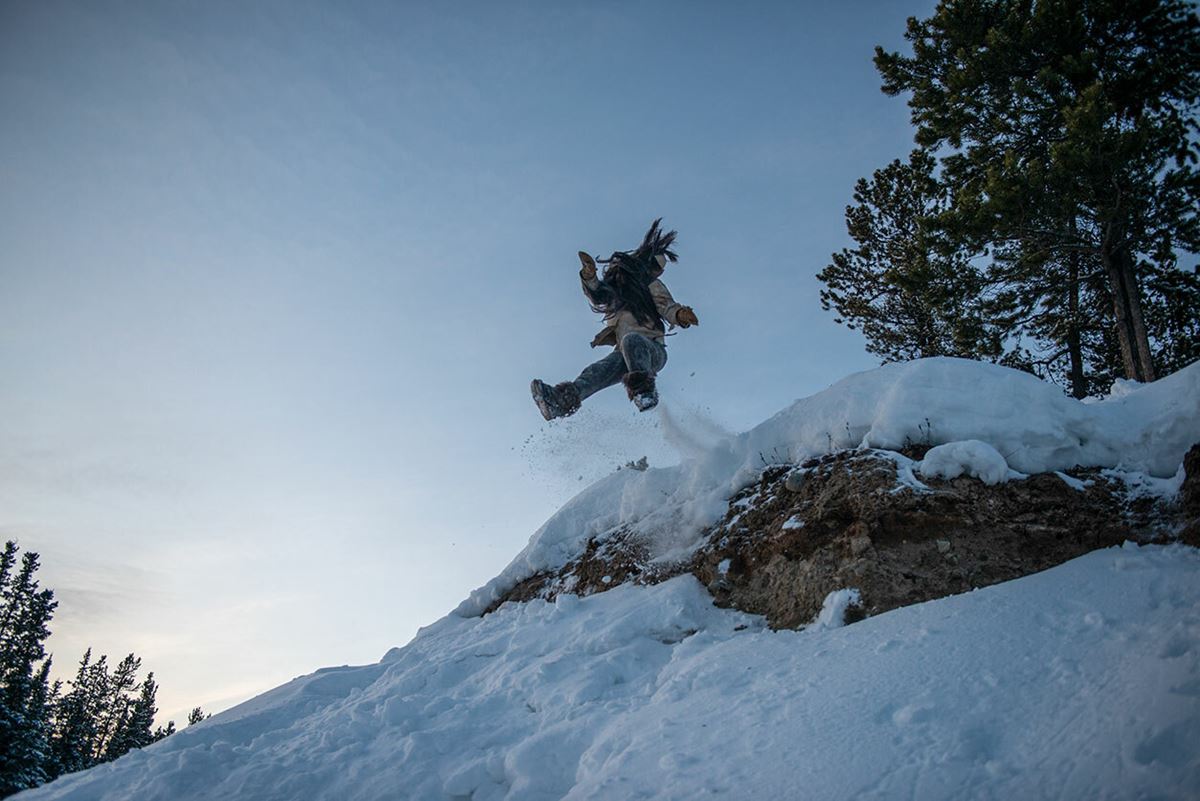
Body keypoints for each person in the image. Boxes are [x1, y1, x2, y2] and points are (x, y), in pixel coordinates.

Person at [531, 218, 699, 420]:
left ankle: (645, 393)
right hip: (624, 353)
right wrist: (589, 276)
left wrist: (680, 314)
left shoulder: (650, 286)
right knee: (596, 371)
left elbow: (666, 305)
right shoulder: (618, 293)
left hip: (651, 351)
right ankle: (560, 402)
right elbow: (598, 294)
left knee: (632, 340)